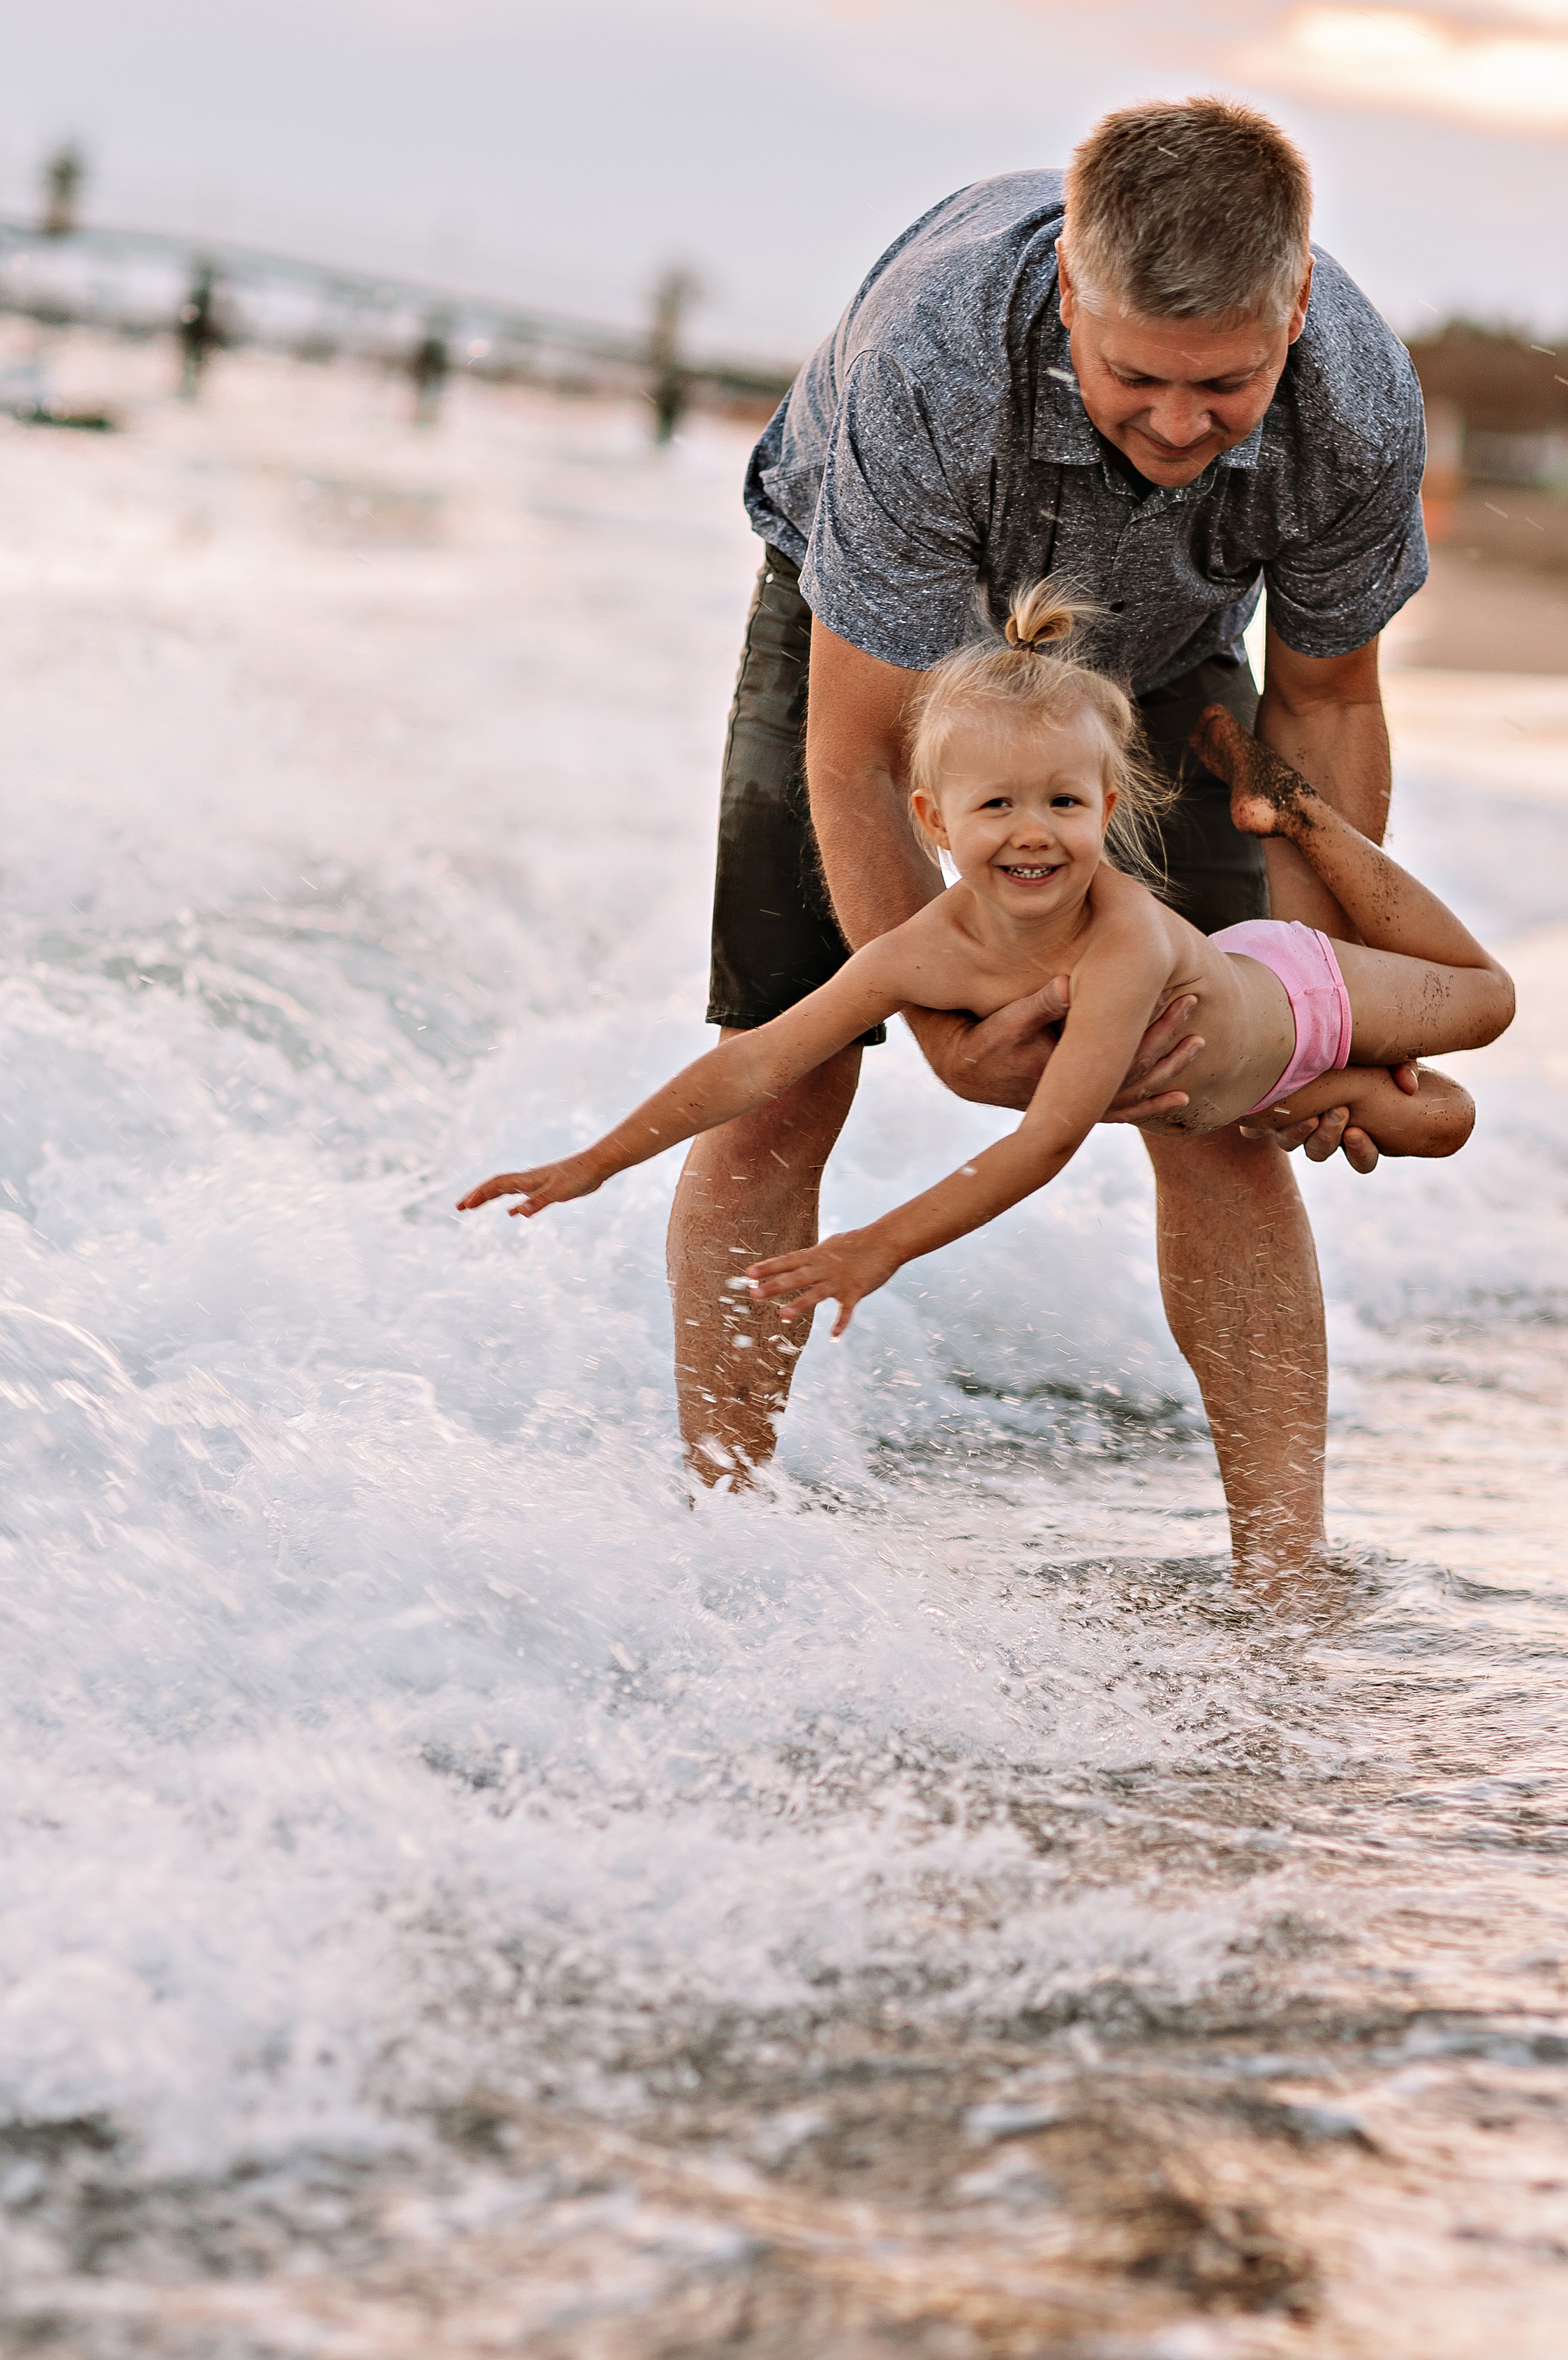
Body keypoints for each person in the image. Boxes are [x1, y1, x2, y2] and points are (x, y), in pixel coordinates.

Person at [667, 96, 1432, 1581]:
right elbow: (860, 756)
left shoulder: (1356, 403)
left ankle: (1283, 1587)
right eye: (1134, 376)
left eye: (1225, 385)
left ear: (1291, 313)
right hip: (884, 645)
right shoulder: (934, 357)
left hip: (1167, 643)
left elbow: (1327, 707)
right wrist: (945, 1020)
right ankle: (718, 1535)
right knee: (788, 1069)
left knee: (1214, 1096)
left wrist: (1308, 1007)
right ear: (1070, 294)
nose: (1177, 423)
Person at [459, 589, 1511, 1362]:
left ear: (1108, 809)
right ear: (933, 819)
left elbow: (1048, 1139)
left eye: (1064, 803)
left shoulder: (1126, 940)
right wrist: (594, 1162)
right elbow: (758, 1062)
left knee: (1486, 1003)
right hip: (1252, 1081)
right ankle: (1340, 1081)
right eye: (997, 805)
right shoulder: (924, 948)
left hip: (1300, 993)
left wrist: (881, 1245)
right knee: (1443, 1119)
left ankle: (1300, 815)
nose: (1032, 832)